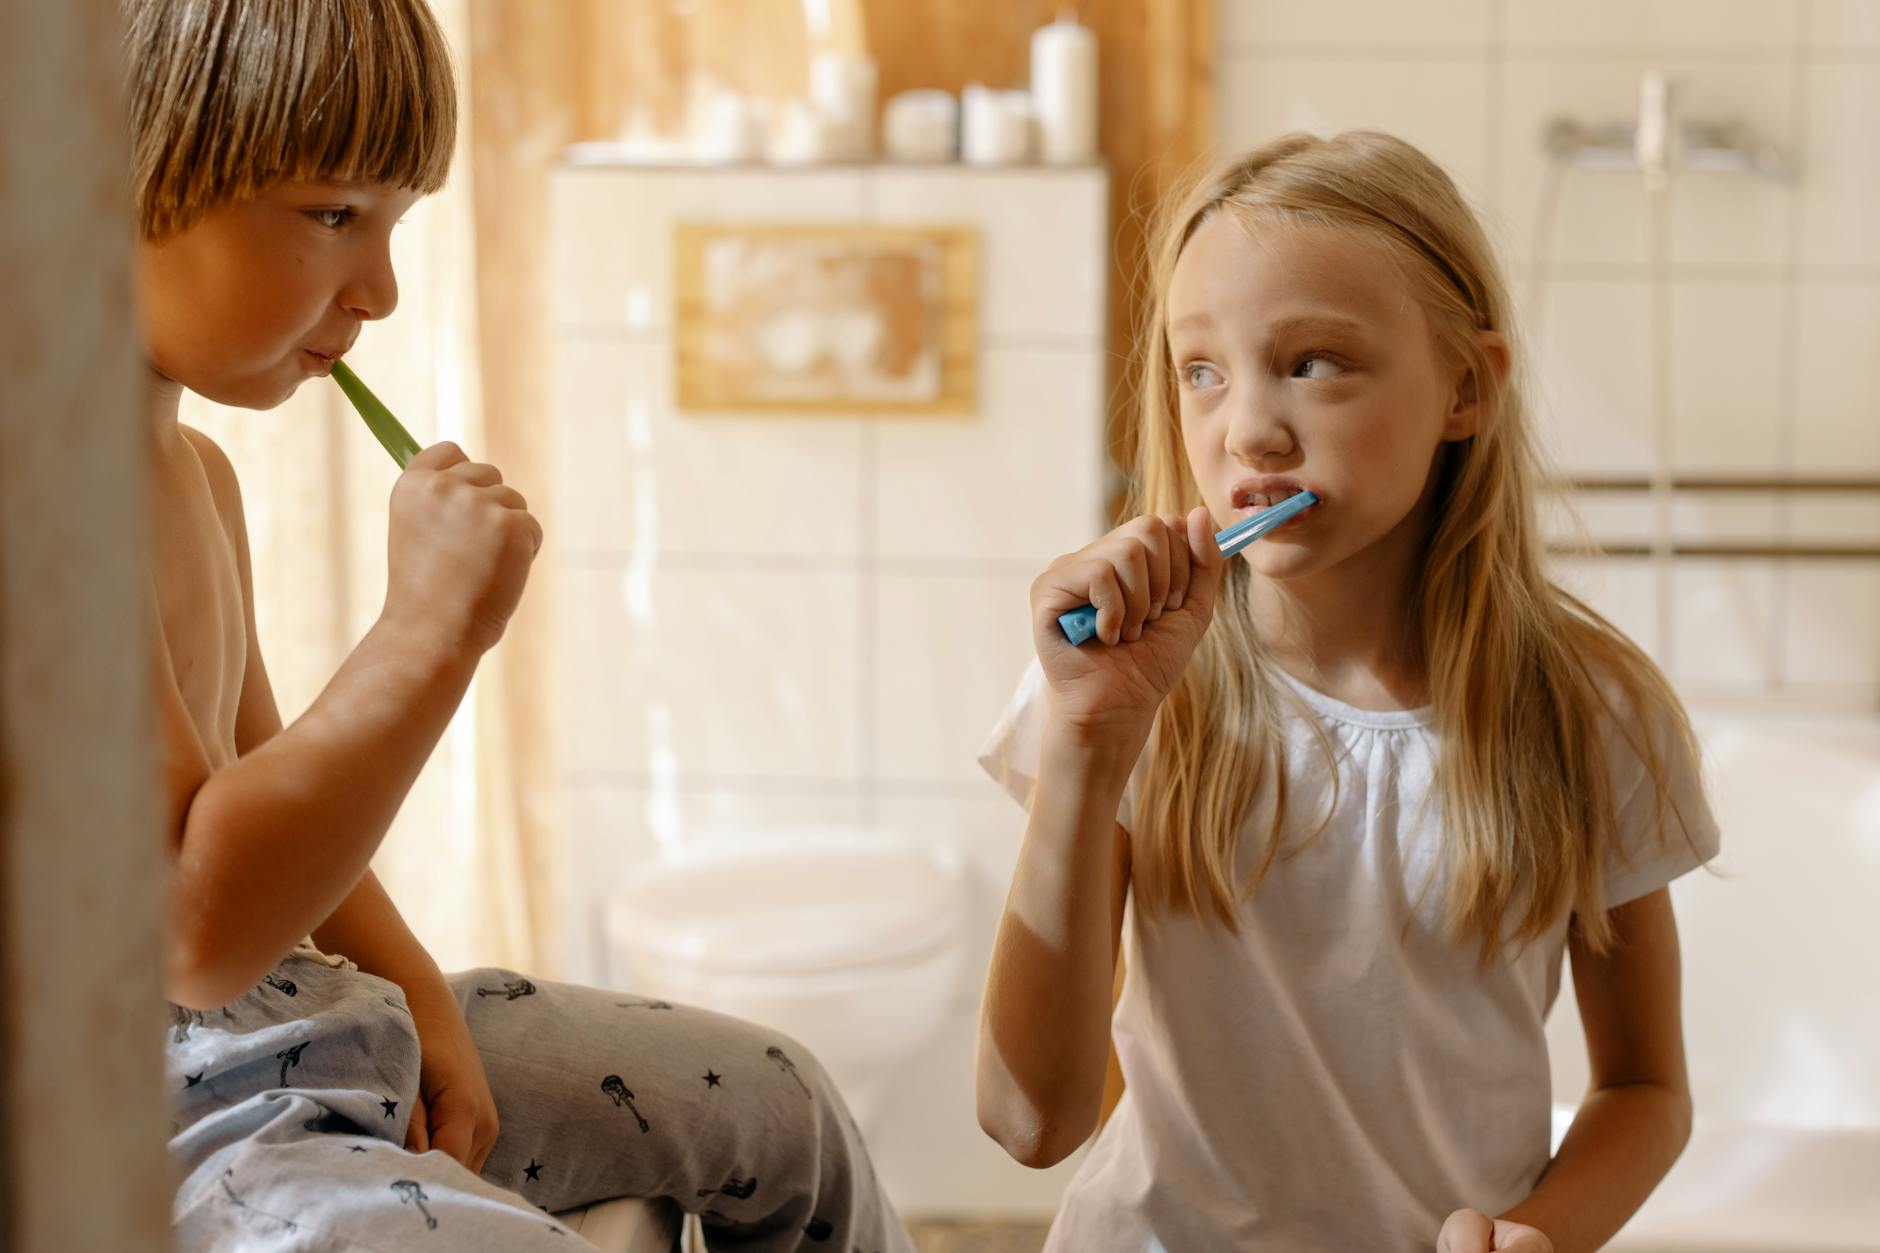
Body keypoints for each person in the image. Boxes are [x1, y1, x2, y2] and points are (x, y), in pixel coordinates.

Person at [129, 1, 912, 1247]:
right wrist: (429, 635)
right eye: (335, 215)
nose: (380, 287)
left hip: (301, 1015)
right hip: (151, 1114)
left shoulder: (200, 477)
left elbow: (279, 828)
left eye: (393, 222)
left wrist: (417, 987)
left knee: (786, 1106)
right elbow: (192, 925)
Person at [976, 130, 1718, 1253]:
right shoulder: (1121, 688)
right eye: (1200, 370)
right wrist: (1086, 738)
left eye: (1312, 362)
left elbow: (1646, 1091)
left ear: (1465, 387)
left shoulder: (1586, 712)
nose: (1246, 428)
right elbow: (1029, 1121)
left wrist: (1539, 1232)